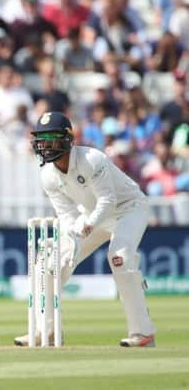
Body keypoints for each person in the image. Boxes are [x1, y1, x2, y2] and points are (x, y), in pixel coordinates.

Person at [15, 111, 156, 347]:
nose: (46, 146)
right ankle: (46, 332)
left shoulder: (92, 159)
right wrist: (74, 234)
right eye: (42, 140)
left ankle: (143, 333)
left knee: (119, 257)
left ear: (67, 139)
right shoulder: (48, 175)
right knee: (47, 263)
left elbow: (108, 201)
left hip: (129, 208)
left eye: (52, 138)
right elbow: (66, 215)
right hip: (90, 216)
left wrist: (88, 225)